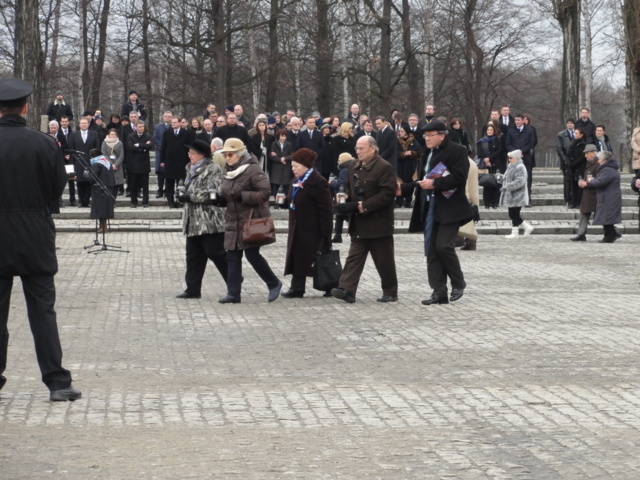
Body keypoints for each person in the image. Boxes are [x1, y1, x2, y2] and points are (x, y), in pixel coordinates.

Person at [0, 78, 81, 402]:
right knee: (43, 311)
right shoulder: (45, 144)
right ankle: (57, 382)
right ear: (26, 108)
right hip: (35, 233)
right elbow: (55, 190)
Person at [407, 120, 473, 305]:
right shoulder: (426, 152)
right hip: (429, 206)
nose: (427, 139)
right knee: (431, 250)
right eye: (425, 136)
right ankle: (438, 292)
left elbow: (459, 178)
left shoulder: (457, 150)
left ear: (442, 135)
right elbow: (423, 178)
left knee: (443, 246)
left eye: (430, 135)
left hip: (450, 207)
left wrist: (435, 184)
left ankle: (458, 282)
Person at [330, 135, 398, 304]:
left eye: (361, 148)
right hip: (359, 222)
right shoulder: (354, 166)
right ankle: (347, 289)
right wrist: (345, 198)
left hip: (378, 222)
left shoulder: (384, 167)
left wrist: (364, 205)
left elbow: (388, 194)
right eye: (357, 149)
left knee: (384, 260)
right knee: (354, 257)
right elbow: (350, 187)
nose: (358, 152)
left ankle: (390, 291)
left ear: (373, 149)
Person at [218, 138, 282, 304]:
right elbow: (228, 193)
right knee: (232, 255)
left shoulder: (253, 170)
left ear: (239, 154)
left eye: (230, 154)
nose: (227, 158)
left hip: (251, 220)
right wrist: (219, 200)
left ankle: (273, 282)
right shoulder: (228, 170)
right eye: (225, 154)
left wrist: (242, 196)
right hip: (233, 219)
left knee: (252, 254)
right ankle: (233, 293)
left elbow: (265, 193)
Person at [175, 140, 228, 299]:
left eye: (192, 153)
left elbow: (211, 193)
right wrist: (180, 196)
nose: (189, 155)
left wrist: (189, 196)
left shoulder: (213, 169)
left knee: (215, 252)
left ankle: (234, 279)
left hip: (209, 220)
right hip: (193, 220)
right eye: (189, 152)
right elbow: (186, 189)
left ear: (202, 155)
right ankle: (192, 289)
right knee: (193, 256)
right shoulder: (189, 169)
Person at [281, 148, 334, 298]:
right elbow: (293, 198)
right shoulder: (296, 180)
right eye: (292, 166)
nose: (293, 169)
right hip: (298, 227)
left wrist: (326, 232)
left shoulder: (318, 181)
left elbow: (326, 209)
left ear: (305, 166)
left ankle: (330, 285)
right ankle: (297, 288)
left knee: (320, 258)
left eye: (296, 166)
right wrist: (285, 202)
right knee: (298, 257)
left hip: (314, 229)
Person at [579, 150, 622, 243]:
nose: (598, 161)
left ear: (604, 160)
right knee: (607, 217)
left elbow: (601, 182)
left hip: (609, 197)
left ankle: (609, 237)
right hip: (608, 196)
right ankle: (611, 235)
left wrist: (589, 182)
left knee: (607, 218)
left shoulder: (608, 170)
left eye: (599, 159)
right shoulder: (608, 169)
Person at [161, 116, 196, 208]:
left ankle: (181, 201)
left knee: (181, 182)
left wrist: (191, 159)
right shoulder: (167, 133)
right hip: (170, 162)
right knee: (169, 183)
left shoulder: (186, 133)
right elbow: (163, 147)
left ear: (180, 123)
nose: (173, 124)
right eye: (172, 122)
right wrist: (162, 160)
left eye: (175, 122)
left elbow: (190, 148)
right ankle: (170, 202)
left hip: (182, 162)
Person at [67, 117, 101, 208]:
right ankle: (81, 201)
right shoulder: (74, 135)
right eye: (82, 123)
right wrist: (72, 164)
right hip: (78, 162)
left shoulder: (94, 134)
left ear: (88, 124)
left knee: (89, 182)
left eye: (85, 123)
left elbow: (97, 148)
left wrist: (96, 161)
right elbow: (71, 150)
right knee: (80, 182)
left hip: (90, 162)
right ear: (79, 124)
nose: (84, 125)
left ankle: (87, 200)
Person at [500, 150, 534, 238]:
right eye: (509, 158)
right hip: (511, 195)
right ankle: (522, 229)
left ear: (517, 158)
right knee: (513, 213)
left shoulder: (520, 167)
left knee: (513, 214)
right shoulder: (511, 166)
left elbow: (519, 181)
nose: (509, 159)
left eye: (511, 158)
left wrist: (508, 186)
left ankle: (520, 230)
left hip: (518, 195)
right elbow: (507, 178)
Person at [505, 114, 536, 206]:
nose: (517, 122)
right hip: (514, 158)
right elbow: (508, 144)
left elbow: (531, 143)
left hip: (525, 157)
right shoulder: (511, 131)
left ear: (523, 121)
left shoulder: (530, 130)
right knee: (513, 178)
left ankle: (527, 200)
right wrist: (516, 153)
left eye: (519, 120)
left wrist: (522, 151)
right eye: (516, 120)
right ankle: (514, 199)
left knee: (527, 179)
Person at [570, 144, 599, 242]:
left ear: (593, 153)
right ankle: (581, 234)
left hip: (595, 194)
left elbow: (600, 179)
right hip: (588, 193)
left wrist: (587, 183)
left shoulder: (598, 163)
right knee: (584, 213)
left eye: (587, 153)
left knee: (601, 215)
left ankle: (613, 232)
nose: (585, 156)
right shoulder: (590, 163)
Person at [88, 148, 116, 234]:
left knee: (100, 209)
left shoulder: (96, 164)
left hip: (100, 189)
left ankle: (103, 227)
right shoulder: (106, 162)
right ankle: (103, 226)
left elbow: (93, 177)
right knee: (104, 208)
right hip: (108, 187)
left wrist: (87, 176)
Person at [126, 121, 153, 207]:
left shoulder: (148, 136)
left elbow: (150, 146)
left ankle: (145, 201)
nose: (141, 128)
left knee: (145, 185)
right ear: (136, 127)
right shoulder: (131, 136)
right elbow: (131, 147)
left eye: (142, 126)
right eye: (139, 126)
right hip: (134, 164)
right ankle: (133, 202)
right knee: (133, 184)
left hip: (144, 164)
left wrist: (138, 145)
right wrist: (143, 147)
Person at [330, 152, 355, 243]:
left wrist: (333, 183)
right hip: (349, 195)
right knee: (341, 216)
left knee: (341, 215)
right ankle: (337, 235)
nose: (338, 162)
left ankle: (338, 235)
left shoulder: (344, 170)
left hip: (343, 196)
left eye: (339, 160)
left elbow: (342, 183)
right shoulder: (352, 168)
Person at [477, 122, 503, 209]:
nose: (489, 131)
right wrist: (486, 159)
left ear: (494, 131)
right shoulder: (481, 141)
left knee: (496, 184)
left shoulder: (497, 140)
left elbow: (498, 151)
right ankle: (487, 203)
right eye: (488, 130)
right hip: (485, 165)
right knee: (487, 183)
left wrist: (490, 158)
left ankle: (494, 202)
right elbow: (479, 152)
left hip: (495, 163)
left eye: (491, 130)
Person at [396, 125, 420, 208]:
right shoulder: (397, 142)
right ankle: (399, 202)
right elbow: (395, 153)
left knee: (410, 183)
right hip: (400, 165)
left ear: (406, 132)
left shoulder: (413, 141)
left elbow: (419, 152)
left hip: (410, 165)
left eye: (402, 131)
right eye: (399, 131)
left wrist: (412, 153)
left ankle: (408, 202)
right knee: (400, 182)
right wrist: (403, 154)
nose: (400, 133)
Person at [269, 128, 294, 197]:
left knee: (286, 184)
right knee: (275, 184)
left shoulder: (289, 144)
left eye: (284, 136)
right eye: (282, 136)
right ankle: (275, 201)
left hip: (286, 166)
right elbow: (272, 156)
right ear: (278, 136)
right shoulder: (273, 144)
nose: (283, 138)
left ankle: (287, 200)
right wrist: (280, 159)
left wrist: (285, 158)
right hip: (276, 167)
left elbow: (292, 155)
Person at [557, 119, 576, 207]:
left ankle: (574, 199)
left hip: (576, 161)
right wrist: (565, 159)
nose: (569, 125)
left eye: (571, 123)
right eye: (568, 123)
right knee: (567, 181)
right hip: (566, 161)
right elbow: (559, 148)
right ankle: (568, 199)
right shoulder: (561, 135)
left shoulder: (577, 133)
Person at [101, 128, 125, 199]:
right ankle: (109, 201)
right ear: (108, 135)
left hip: (117, 166)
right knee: (109, 184)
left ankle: (113, 200)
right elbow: (104, 154)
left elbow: (122, 155)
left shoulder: (120, 143)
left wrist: (116, 164)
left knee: (116, 184)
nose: (113, 136)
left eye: (115, 134)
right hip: (108, 165)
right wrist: (111, 164)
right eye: (112, 134)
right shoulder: (104, 143)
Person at [567, 128, 588, 209]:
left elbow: (582, 157)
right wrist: (569, 162)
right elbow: (568, 154)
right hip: (572, 168)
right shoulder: (573, 143)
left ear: (581, 134)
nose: (574, 135)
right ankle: (573, 202)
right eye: (574, 133)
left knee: (580, 186)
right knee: (572, 186)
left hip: (580, 167)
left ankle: (579, 202)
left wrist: (574, 163)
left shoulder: (584, 144)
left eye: (576, 133)